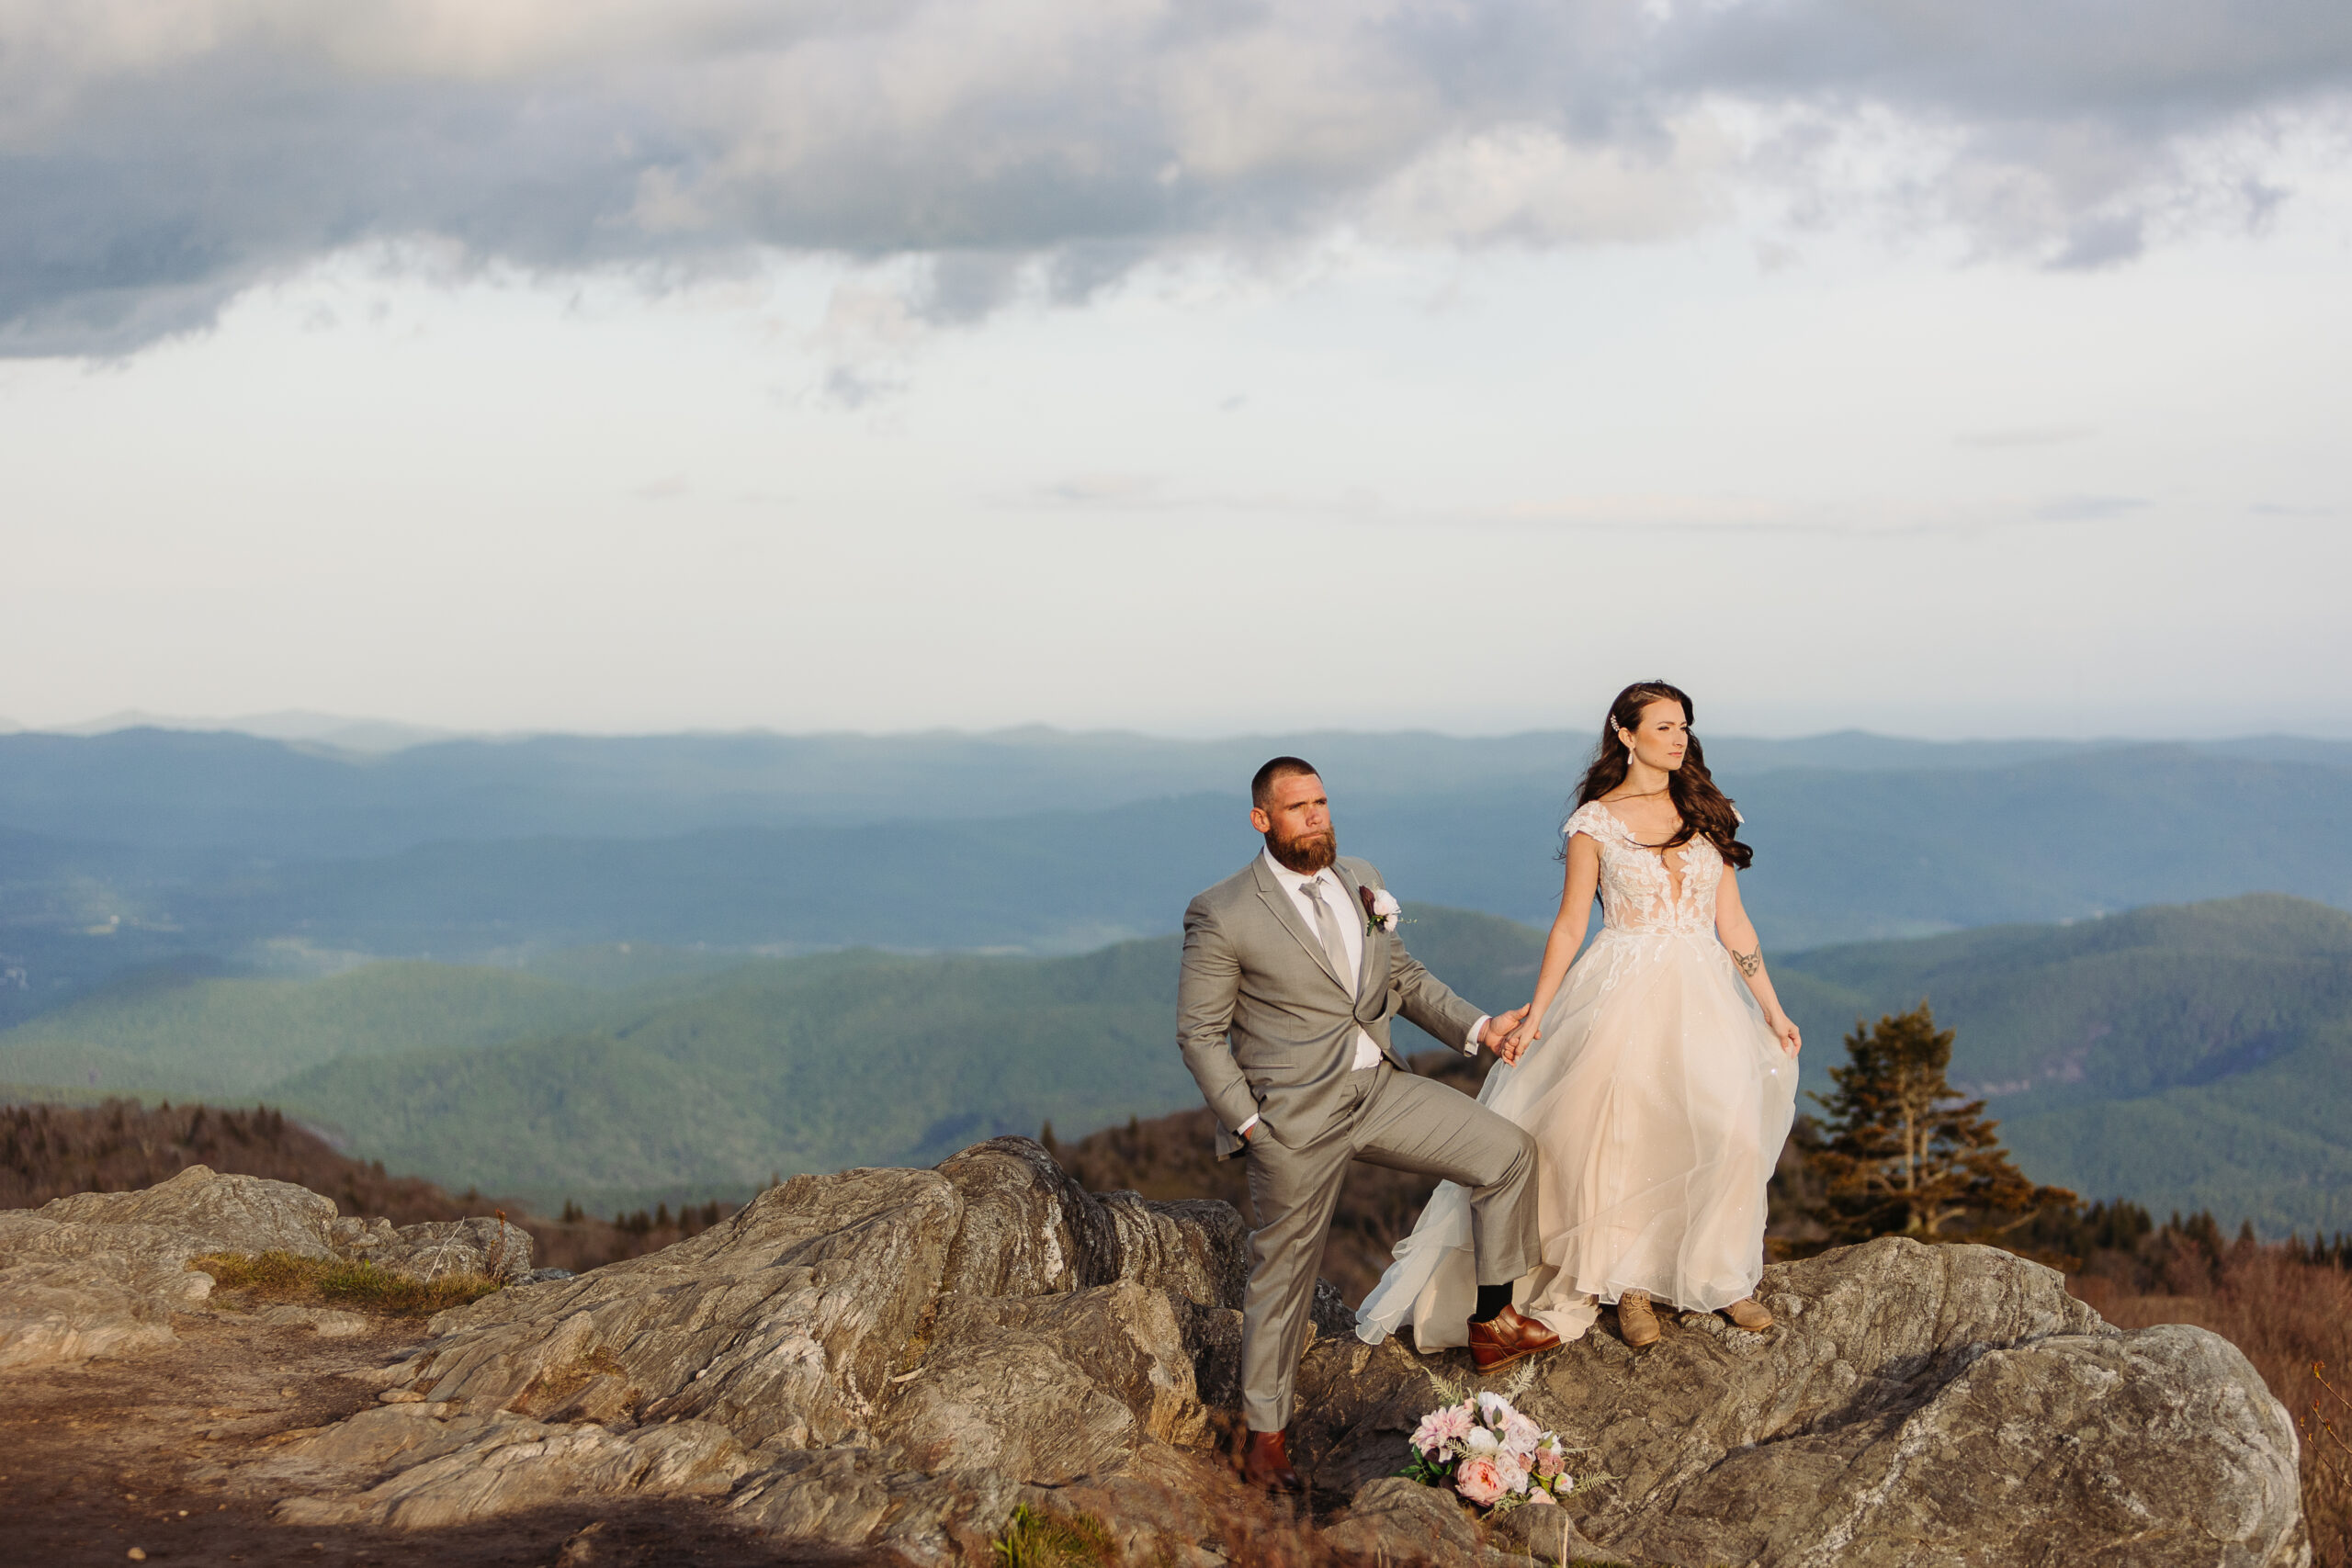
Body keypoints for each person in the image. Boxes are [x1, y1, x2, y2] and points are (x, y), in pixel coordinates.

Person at [1356, 682, 1801, 1354]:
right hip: (1623, 984)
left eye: (1684, 725)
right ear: (1625, 734)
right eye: (1663, 727)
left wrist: (1771, 1005)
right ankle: (1631, 1284)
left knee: (1730, 1128)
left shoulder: (1709, 809)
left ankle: (1717, 1272)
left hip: (1704, 987)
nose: (1679, 738)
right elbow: (1568, 926)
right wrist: (1537, 1012)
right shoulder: (1596, 821)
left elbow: (1733, 921)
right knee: (1633, 1133)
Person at [1178, 757, 1559, 1493]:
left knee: (1507, 1153)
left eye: (1321, 802)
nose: (1316, 816)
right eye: (1297, 807)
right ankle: (1265, 1437)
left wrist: (1481, 1028)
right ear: (1263, 820)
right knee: (1283, 1276)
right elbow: (1198, 1033)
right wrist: (1250, 1123)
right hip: (1291, 1120)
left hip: (1380, 1089)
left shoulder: (1360, 874)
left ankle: (1493, 1320)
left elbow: (1401, 977)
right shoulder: (1222, 910)